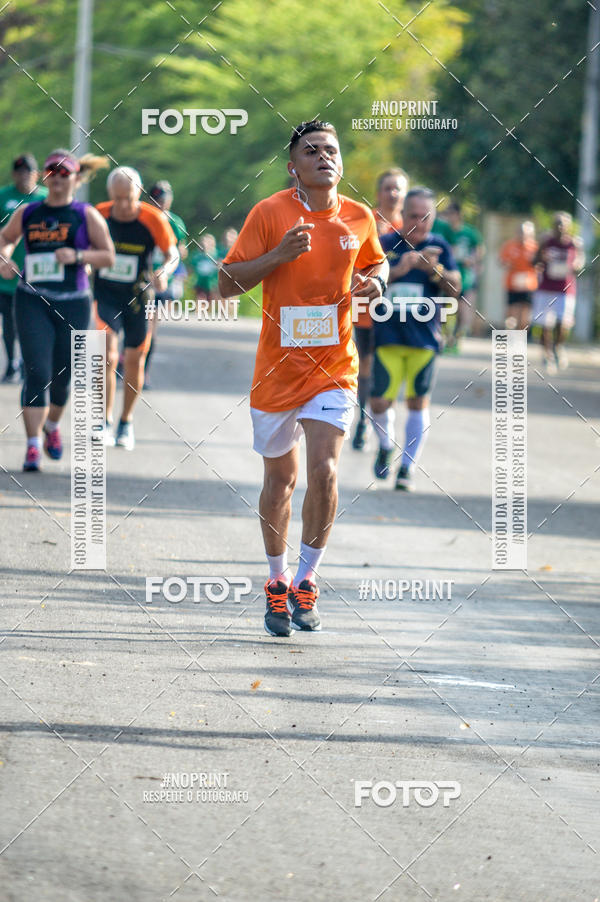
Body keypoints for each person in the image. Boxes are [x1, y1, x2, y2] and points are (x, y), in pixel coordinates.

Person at [218, 118, 388, 637]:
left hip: (334, 367)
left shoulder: (359, 217)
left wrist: (374, 284)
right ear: (293, 166)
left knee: (326, 472)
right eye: (311, 151)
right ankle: (276, 580)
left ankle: (307, 582)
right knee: (281, 482)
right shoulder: (269, 213)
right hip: (276, 371)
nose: (324, 157)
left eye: (331, 150)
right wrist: (277, 257)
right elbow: (226, 285)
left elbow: (377, 266)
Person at [0, 149, 114, 472]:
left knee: (63, 376)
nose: (58, 178)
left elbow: (108, 255)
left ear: (76, 179)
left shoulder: (85, 214)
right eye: (52, 171)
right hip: (32, 298)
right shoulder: (29, 212)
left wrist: (78, 257)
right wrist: (6, 258)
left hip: (73, 302)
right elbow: (5, 239)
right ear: (45, 177)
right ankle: (32, 445)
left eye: (65, 173)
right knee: (36, 370)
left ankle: (52, 426)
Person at [370, 187, 461, 491]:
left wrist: (436, 271)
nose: (419, 223)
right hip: (387, 335)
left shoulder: (440, 246)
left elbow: (457, 287)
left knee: (417, 402)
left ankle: (407, 468)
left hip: (424, 340)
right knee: (380, 401)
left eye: (426, 217)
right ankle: (385, 444)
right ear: (402, 215)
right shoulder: (385, 243)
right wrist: (400, 268)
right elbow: (368, 282)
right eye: (413, 216)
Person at [94, 167, 179, 449]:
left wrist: (165, 271)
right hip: (103, 294)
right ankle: (104, 421)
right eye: (116, 198)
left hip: (138, 297)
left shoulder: (152, 218)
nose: (122, 205)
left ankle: (125, 421)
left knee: (134, 359)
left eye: (128, 198)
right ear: (110, 195)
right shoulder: (99, 214)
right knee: (106, 354)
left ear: (138, 194)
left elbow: (173, 253)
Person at [352, 168, 409, 451]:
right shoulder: (366, 221)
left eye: (398, 188)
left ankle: (382, 428)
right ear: (378, 193)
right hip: (365, 308)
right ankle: (362, 420)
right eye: (388, 188)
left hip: (399, 312)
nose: (393, 193)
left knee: (388, 369)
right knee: (365, 366)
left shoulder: (410, 226)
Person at [0, 154, 48, 383]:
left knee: (34, 324)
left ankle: (34, 367)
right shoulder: (4, 197)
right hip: (7, 276)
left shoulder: (46, 198)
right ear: (14, 174)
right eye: (19, 172)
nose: (24, 176)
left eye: (28, 172)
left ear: (37, 174)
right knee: (9, 322)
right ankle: (11, 364)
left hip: (41, 276)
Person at [145, 180, 188, 387]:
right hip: (139, 278)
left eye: (164, 199)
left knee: (150, 326)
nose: (161, 203)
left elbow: (181, 250)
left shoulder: (175, 222)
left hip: (162, 280)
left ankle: (143, 371)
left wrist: (172, 258)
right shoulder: (143, 217)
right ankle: (126, 359)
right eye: (157, 199)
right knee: (136, 324)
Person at [532, 212, 584, 372]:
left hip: (565, 289)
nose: (560, 227)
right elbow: (534, 261)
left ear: (569, 226)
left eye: (563, 224)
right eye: (557, 224)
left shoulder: (574, 244)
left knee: (563, 322)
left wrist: (576, 264)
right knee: (544, 324)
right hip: (546, 288)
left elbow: (580, 262)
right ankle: (546, 353)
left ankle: (558, 347)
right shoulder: (546, 242)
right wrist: (542, 257)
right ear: (553, 225)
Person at [438, 201, 483, 350]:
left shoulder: (469, 232)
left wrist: (472, 260)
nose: (448, 217)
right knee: (443, 308)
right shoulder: (444, 231)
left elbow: (480, 250)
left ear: (457, 214)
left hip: (464, 276)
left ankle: (456, 339)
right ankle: (444, 337)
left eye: (450, 213)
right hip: (446, 275)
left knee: (461, 310)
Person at [499, 221, 538, 330]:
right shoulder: (509, 245)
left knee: (524, 316)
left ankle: (520, 338)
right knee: (511, 315)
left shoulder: (534, 247)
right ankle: (510, 336)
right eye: (520, 232)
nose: (522, 235)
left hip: (528, 284)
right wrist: (507, 263)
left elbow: (540, 265)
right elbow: (502, 260)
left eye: (525, 233)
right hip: (512, 284)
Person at [190, 234, 220, 302]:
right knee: (200, 301)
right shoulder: (196, 256)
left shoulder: (216, 255)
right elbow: (191, 270)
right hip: (200, 284)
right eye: (202, 243)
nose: (205, 244)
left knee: (211, 304)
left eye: (207, 242)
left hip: (212, 284)